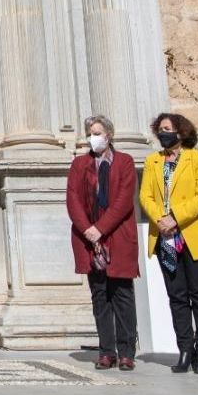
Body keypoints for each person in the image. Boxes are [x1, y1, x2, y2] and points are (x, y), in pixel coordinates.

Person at [138, 113, 198, 374]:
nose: (164, 133)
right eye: (161, 129)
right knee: (176, 296)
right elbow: (146, 195)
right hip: (165, 237)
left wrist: (175, 217)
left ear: (181, 132)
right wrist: (161, 219)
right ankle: (184, 348)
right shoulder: (153, 161)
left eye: (168, 129)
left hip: (192, 234)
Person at [67, 115, 139, 370]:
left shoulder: (125, 162)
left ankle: (127, 350)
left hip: (117, 236)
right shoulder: (80, 164)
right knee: (100, 296)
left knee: (122, 295)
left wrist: (101, 228)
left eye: (96, 132)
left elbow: (123, 201)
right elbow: (73, 199)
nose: (92, 137)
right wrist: (88, 230)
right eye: (89, 133)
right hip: (90, 240)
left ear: (109, 134)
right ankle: (106, 351)